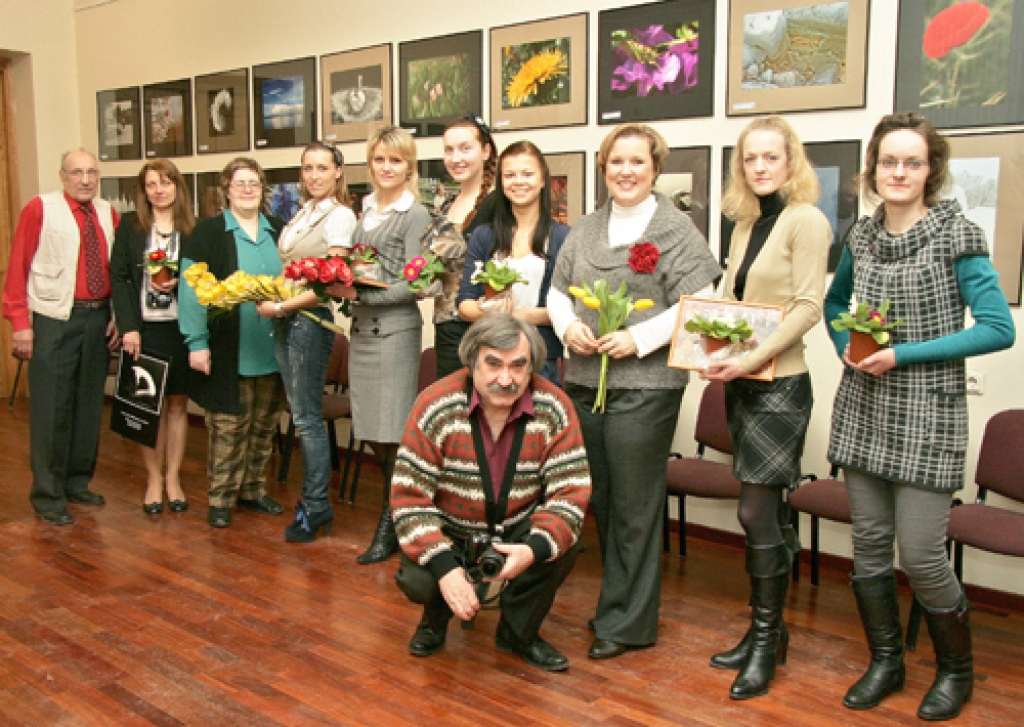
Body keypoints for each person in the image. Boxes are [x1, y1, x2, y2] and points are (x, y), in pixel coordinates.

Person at [826, 112, 1014, 721]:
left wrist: (900, 355)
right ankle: (886, 662)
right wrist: (843, 347)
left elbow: (997, 328)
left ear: (931, 170)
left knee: (926, 556)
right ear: (874, 168)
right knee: (871, 547)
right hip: (863, 408)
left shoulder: (956, 235)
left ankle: (956, 671)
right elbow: (834, 303)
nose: (899, 172)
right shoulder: (861, 234)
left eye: (912, 161)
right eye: (888, 161)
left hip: (929, 413)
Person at [549, 124, 721, 659]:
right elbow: (557, 292)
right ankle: (615, 608)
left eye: (636, 162)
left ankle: (628, 624)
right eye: (615, 162)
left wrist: (639, 337)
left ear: (655, 168)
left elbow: (702, 299)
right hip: (585, 382)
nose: (625, 171)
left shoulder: (675, 229)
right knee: (602, 500)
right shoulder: (586, 228)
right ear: (604, 169)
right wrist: (566, 328)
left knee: (635, 507)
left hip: (645, 388)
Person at [702, 116, 832, 699]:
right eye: (749, 158)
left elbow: (808, 308)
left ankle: (763, 642)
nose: (759, 167)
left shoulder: (806, 220)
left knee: (756, 514)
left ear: (790, 161)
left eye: (770, 158)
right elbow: (736, 301)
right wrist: (706, 342)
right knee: (769, 514)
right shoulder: (746, 221)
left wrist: (750, 355)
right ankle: (768, 633)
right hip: (742, 380)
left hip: (781, 385)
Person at [391, 314, 591, 671]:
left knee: (562, 542)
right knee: (420, 578)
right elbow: (409, 497)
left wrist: (533, 550)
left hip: (518, 526)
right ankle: (434, 620)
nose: (505, 378)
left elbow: (570, 492)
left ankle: (519, 633)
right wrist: (444, 566)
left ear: (532, 368)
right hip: (450, 527)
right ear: (472, 362)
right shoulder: (435, 404)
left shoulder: (555, 407)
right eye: (493, 364)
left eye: (518, 366)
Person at [328, 126, 431, 564]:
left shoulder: (416, 215)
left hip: (395, 334)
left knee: (394, 433)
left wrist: (361, 294)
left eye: (396, 160)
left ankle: (392, 524)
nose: (386, 168)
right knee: (371, 429)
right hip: (363, 333)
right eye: (379, 160)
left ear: (409, 167)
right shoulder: (364, 210)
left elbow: (416, 283)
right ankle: (403, 513)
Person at [3, 149, 120, 526]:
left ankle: (76, 482)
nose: (85, 180)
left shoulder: (108, 212)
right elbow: (18, 266)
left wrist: (117, 315)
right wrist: (20, 322)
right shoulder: (40, 209)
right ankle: (48, 494)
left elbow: (117, 271)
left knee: (88, 406)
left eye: (91, 172)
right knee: (53, 409)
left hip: (97, 319)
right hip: (53, 320)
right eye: (77, 173)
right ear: (62, 175)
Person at [255, 142, 357, 543]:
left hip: (308, 322)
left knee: (306, 418)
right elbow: (293, 270)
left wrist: (282, 308)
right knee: (302, 414)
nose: (314, 175)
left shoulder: (340, 217)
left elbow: (331, 285)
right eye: (307, 168)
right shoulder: (304, 213)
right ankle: (314, 504)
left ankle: (315, 507)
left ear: (337, 172)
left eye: (322, 168)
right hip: (289, 318)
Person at [178, 157, 288, 528]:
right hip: (228, 350)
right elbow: (191, 291)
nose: (247, 190)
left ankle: (253, 490)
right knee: (228, 427)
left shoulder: (278, 229)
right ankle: (220, 498)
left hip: (272, 348)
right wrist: (197, 343)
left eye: (253, 183)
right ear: (226, 190)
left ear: (262, 189)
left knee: (263, 426)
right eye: (239, 183)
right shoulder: (209, 232)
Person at [110, 159, 197, 515]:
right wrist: (128, 326)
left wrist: (185, 282)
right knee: (149, 407)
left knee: (177, 405)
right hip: (144, 331)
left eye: (165, 182)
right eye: (151, 185)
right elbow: (119, 277)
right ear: (143, 191)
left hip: (181, 328)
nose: (159, 190)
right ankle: (153, 479)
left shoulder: (194, 228)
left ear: (177, 186)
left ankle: (173, 477)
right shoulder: (131, 227)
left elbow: (207, 277)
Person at [457, 140, 566, 385]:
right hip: (489, 358)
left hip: (540, 361)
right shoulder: (483, 236)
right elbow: (464, 305)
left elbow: (568, 310)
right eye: (510, 175)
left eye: (527, 174)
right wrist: (489, 311)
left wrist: (516, 315)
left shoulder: (562, 238)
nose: (518, 181)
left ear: (542, 180)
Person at [420, 115, 497, 380]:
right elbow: (435, 271)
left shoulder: (498, 204)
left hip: (484, 326)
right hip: (446, 326)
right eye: (449, 150)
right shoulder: (445, 206)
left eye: (466, 148)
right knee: (452, 412)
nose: (456, 158)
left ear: (486, 151)